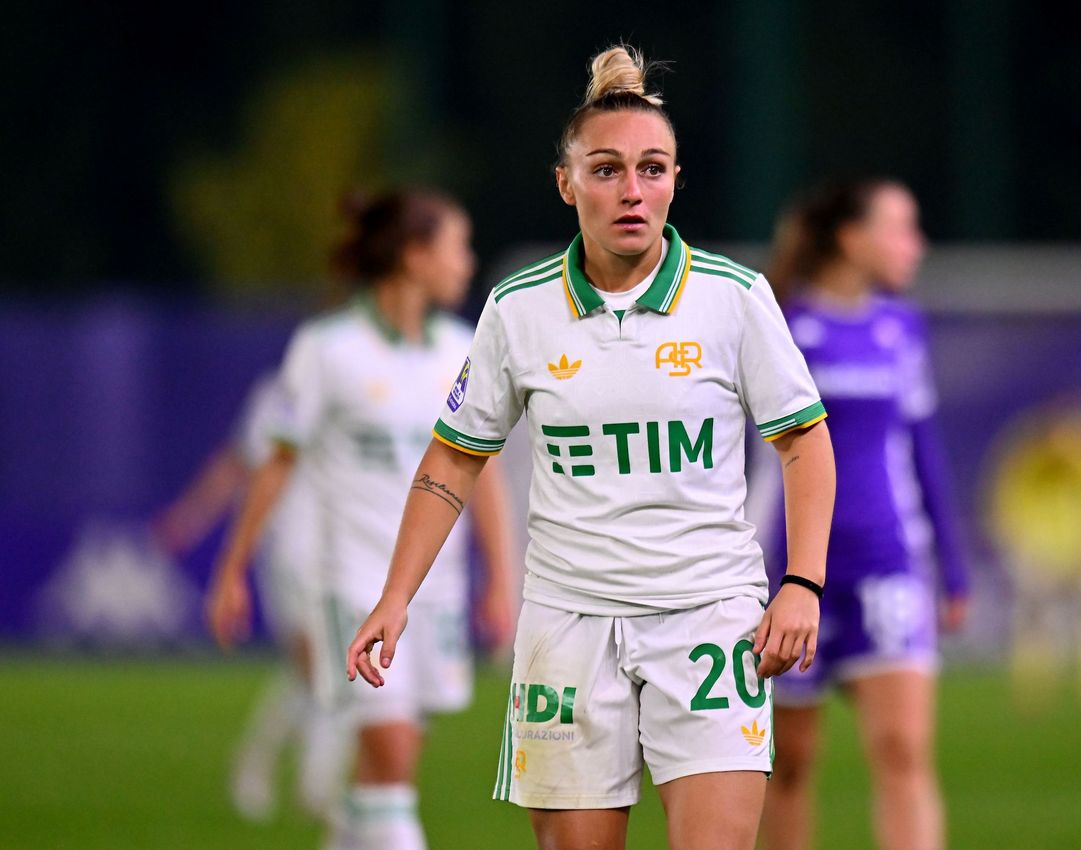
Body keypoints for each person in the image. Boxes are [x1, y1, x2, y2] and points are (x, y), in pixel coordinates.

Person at [346, 45, 836, 850]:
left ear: (676, 179)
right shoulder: (517, 309)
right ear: (566, 183)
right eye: (606, 169)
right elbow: (453, 460)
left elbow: (804, 443)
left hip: (708, 619)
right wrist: (396, 597)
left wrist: (802, 584)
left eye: (652, 168)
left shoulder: (734, 298)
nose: (632, 190)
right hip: (566, 627)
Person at [206, 188, 516, 850]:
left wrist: (500, 579)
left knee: (383, 770)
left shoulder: (464, 348)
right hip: (354, 585)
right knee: (393, 760)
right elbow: (276, 464)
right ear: (414, 257)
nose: (468, 261)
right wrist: (231, 570)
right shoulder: (327, 348)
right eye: (457, 246)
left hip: (439, 592)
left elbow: (481, 475)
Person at [759, 179, 970, 850]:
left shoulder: (899, 329)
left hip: (887, 567)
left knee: (903, 752)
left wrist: (953, 567)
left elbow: (922, 448)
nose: (916, 245)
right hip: (791, 576)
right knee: (787, 764)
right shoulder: (781, 327)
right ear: (853, 239)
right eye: (901, 228)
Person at [156, 371, 343, 821]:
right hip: (290, 544)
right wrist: (192, 517)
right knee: (318, 660)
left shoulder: (377, 380)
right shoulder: (285, 390)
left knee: (329, 666)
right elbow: (241, 463)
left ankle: (297, 777)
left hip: (343, 548)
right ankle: (298, 780)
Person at [984, 395, 1081, 714]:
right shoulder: (1028, 457)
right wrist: (1015, 543)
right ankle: (1034, 693)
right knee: (1035, 623)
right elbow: (1005, 500)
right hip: (1039, 549)